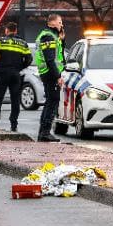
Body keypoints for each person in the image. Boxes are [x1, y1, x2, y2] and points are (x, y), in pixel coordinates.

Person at [0, 20, 32, 132]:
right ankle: (13, 124)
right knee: (15, 100)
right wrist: (20, 68)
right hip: (15, 74)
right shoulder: (23, 43)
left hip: (2, 74)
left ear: (6, 30)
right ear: (15, 31)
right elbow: (29, 59)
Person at [35, 14, 65, 142]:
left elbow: (59, 56)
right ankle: (45, 132)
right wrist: (57, 76)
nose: (61, 24)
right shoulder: (48, 36)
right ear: (52, 23)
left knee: (50, 102)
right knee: (53, 101)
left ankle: (43, 132)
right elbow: (50, 59)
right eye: (59, 22)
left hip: (48, 73)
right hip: (50, 73)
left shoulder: (52, 36)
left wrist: (62, 40)